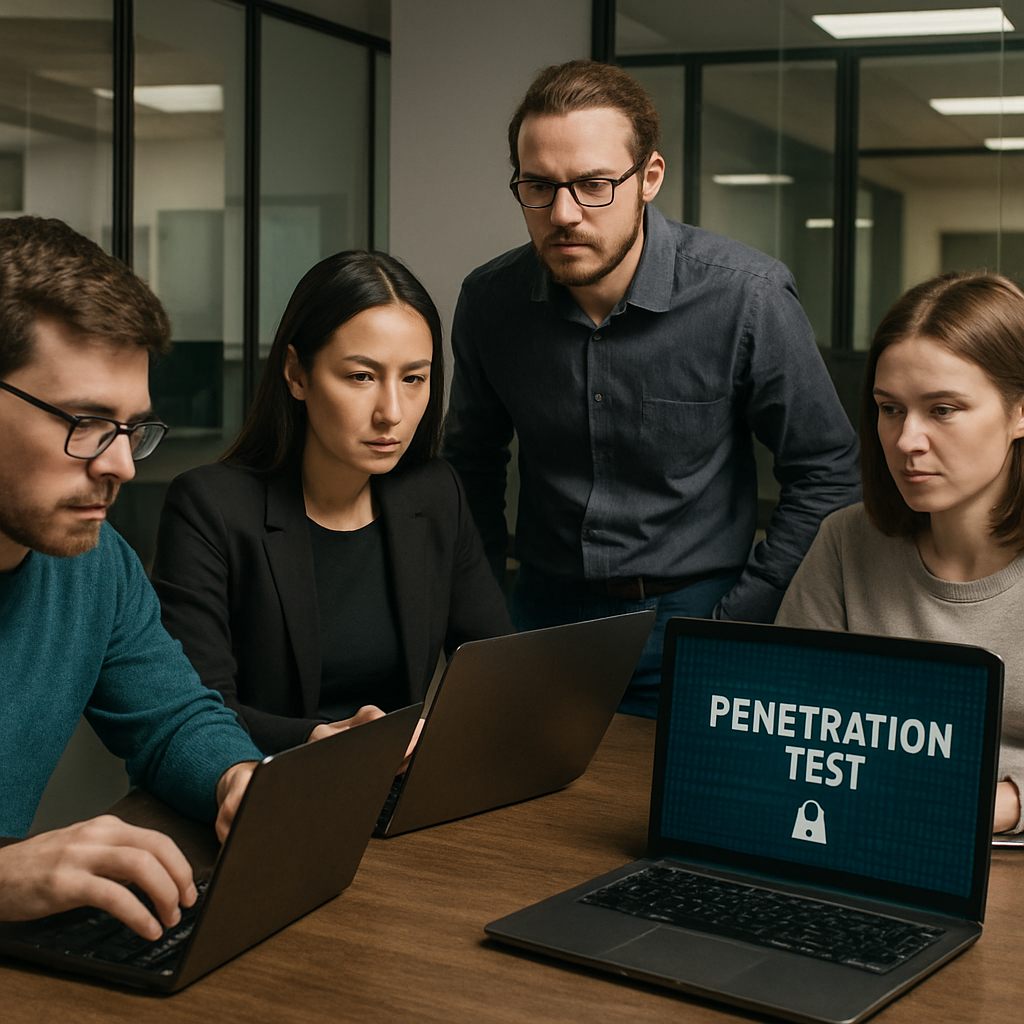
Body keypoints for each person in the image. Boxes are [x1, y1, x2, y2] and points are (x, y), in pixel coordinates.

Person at [442, 60, 861, 717]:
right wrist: (483, 609)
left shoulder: (745, 297)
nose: (563, 213)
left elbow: (829, 473)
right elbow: (469, 465)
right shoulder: (490, 301)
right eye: (538, 186)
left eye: (594, 184)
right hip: (536, 614)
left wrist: (737, 618)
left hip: (697, 611)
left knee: (667, 817)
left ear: (650, 179)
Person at [0, 216, 262, 939]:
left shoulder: (93, 561)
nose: (119, 465)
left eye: (132, 429)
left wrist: (236, 778)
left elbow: (172, 719)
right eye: (85, 421)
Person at [151, 251, 513, 756]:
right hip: (262, 783)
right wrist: (318, 740)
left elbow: (494, 667)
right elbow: (192, 707)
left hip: (395, 790)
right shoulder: (209, 507)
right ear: (297, 374)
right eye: (361, 377)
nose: (392, 413)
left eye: (414, 379)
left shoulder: (433, 492)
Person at [777, 271, 1024, 834]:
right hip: (863, 835)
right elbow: (790, 724)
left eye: (943, 409)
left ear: (1019, 413)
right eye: (890, 409)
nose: (908, 439)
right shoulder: (846, 541)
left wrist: (1000, 804)